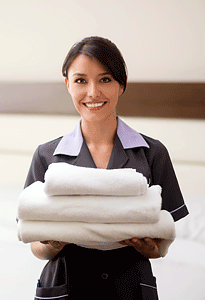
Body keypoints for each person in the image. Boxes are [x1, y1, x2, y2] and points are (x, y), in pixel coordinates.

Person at [24, 37, 189, 299]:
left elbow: (163, 239)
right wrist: (52, 244)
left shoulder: (153, 153)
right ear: (67, 84)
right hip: (66, 285)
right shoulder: (47, 156)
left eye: (105, 79)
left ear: (121, 85)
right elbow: (36, 244)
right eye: (80, 80)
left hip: (130, 285)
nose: (92, 93)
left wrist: (151, 249)